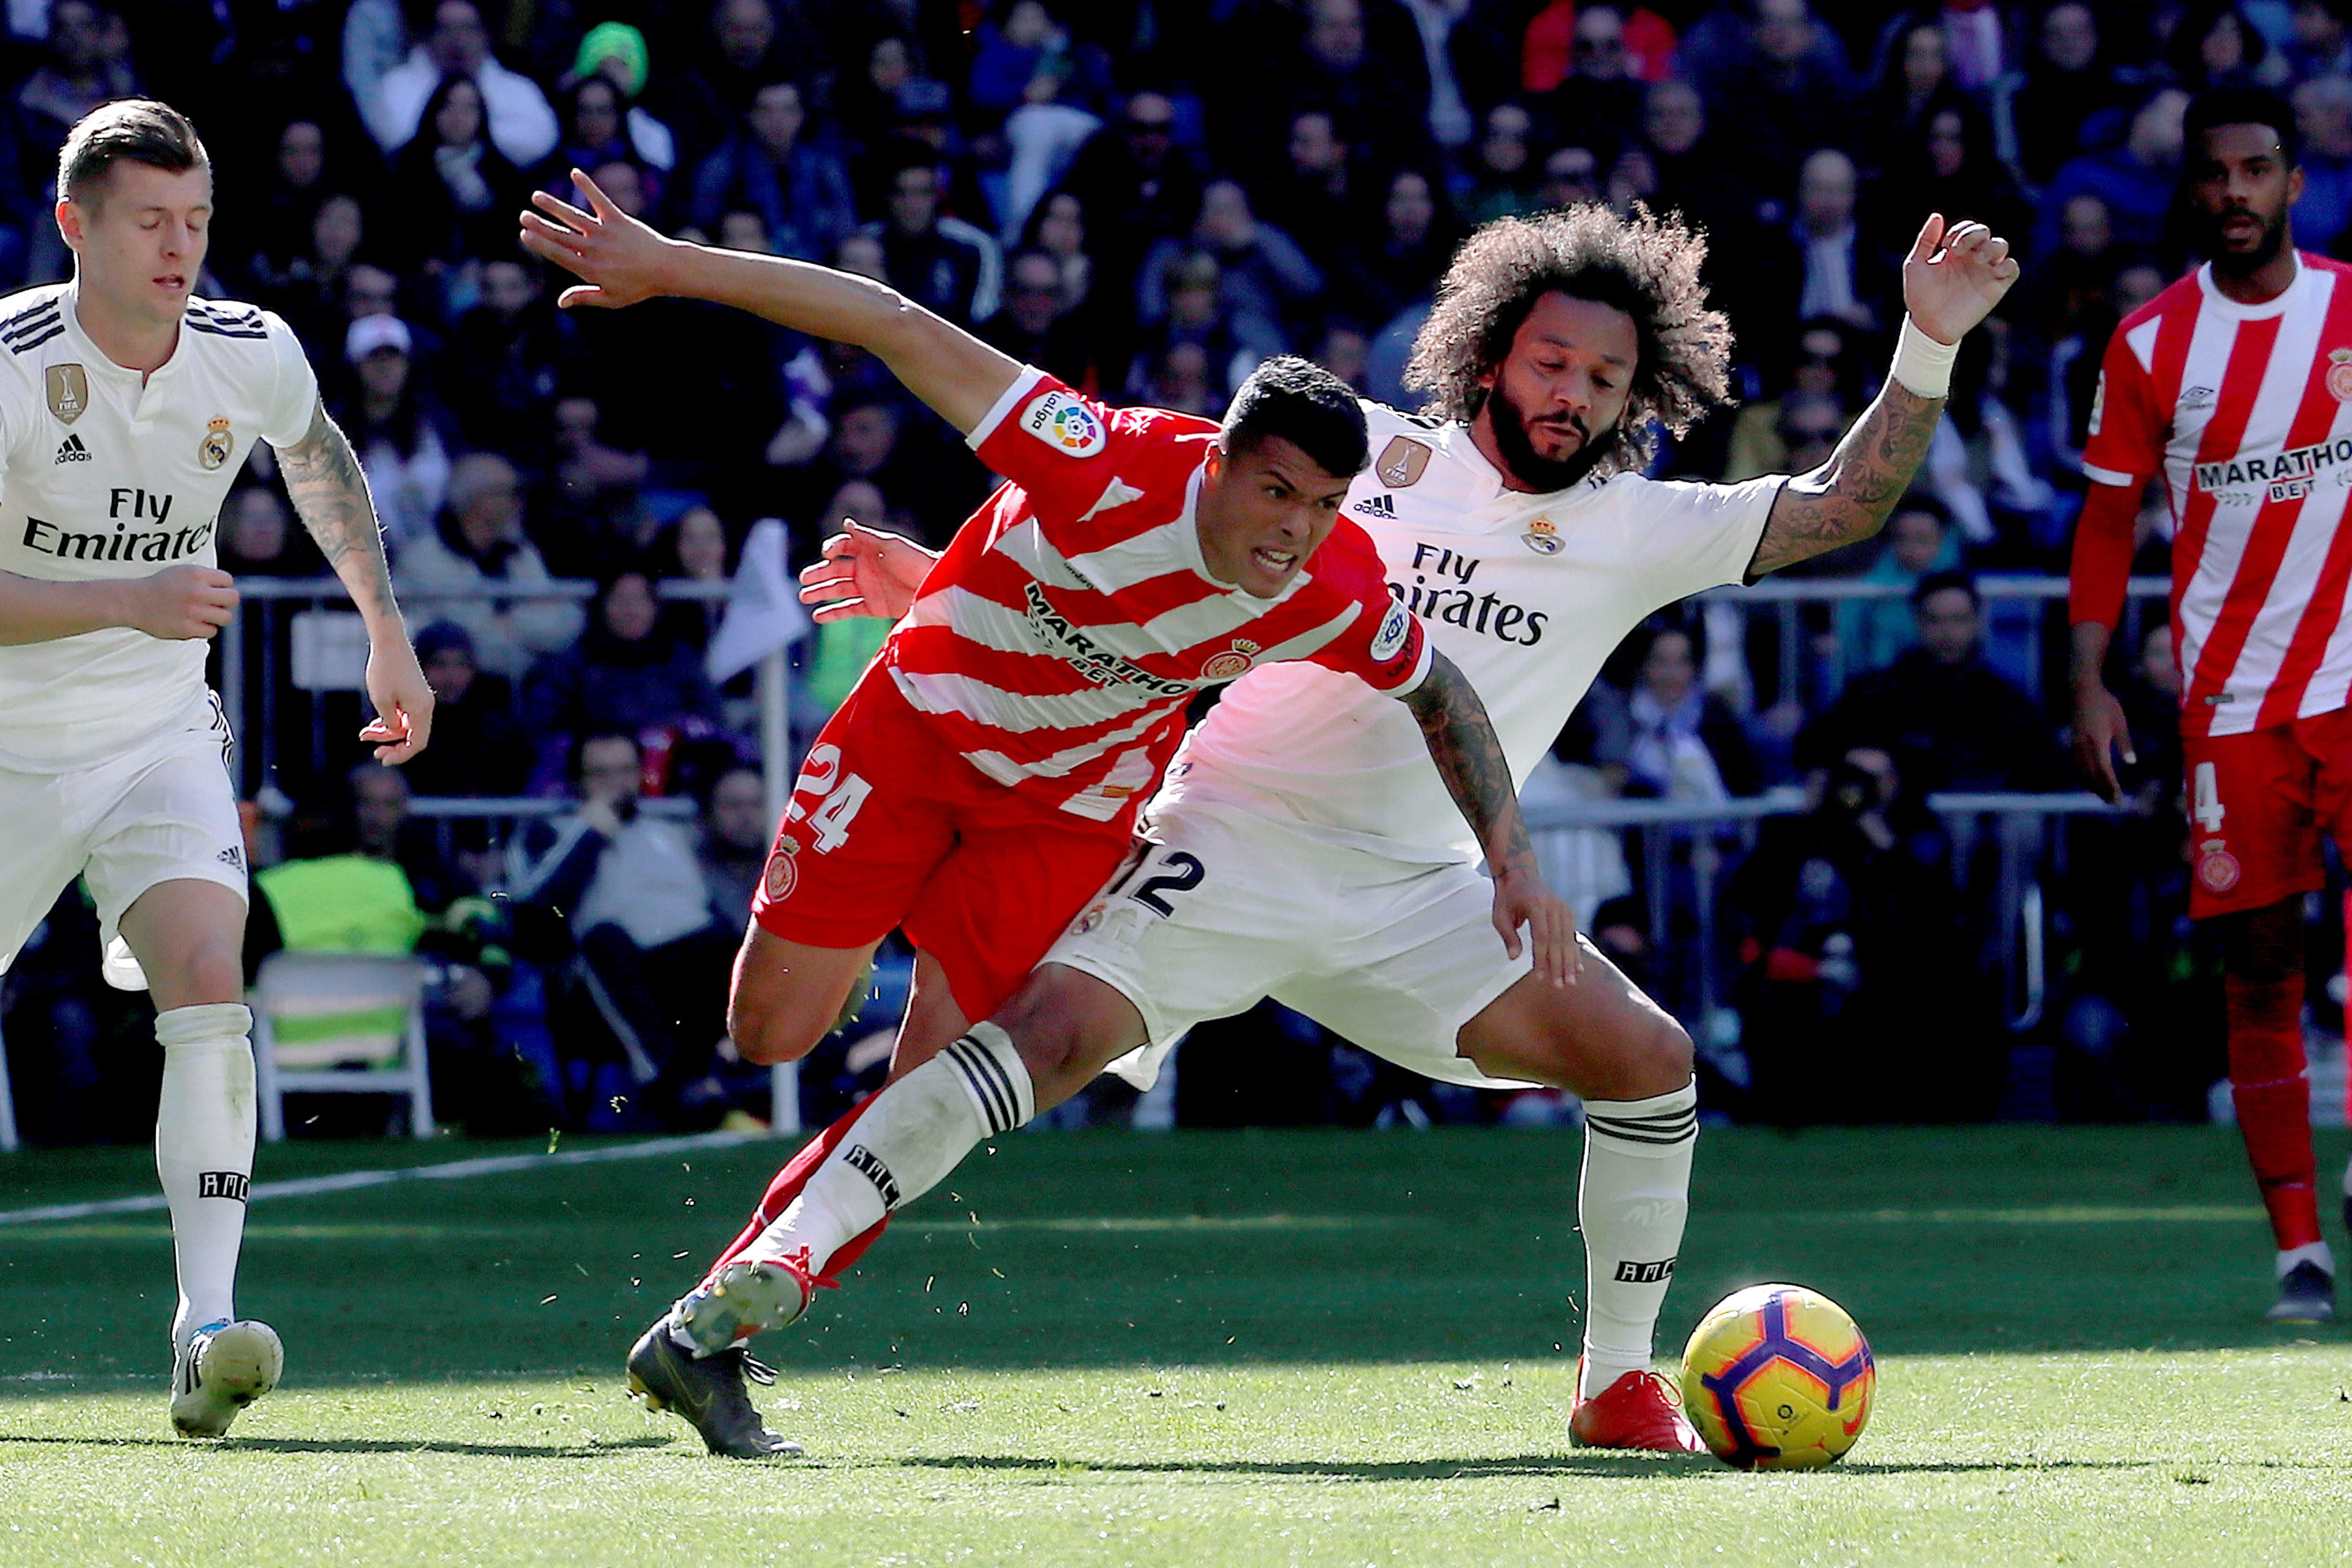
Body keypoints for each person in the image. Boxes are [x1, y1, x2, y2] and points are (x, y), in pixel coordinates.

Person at [635, 202, 2019, 1459]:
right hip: (1224, 832)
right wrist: (942, 578)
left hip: (1424, 897)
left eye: (1601, 377)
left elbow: (1847, 502)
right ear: (1491, 353)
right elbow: (1153, 541)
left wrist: (1926, 340)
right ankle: (724, 1311)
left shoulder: (1643, 524)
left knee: (1650, 1061)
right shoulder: (1355, 457)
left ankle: (1614, 1382)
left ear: (1634, 393)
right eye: (1548, 360)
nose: (1569, 393)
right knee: (1025, 1043)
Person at [519, 170, 1576, 1450]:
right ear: (1218, 456)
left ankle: (712, 1333)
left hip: (1063, 817)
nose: (1291, 532)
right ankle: (743, 1262)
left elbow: (1441, 691)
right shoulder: (1100, 455)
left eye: (1320, 508)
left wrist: (1508, 857)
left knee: (935, 1099)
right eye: (1275, 492)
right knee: (768, 1034)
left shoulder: (1330, 585)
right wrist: (670, 264)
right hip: (911, 739)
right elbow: (895, 321)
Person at [0, 101, 434, 1436]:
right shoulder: (12, 358)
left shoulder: (249, 349)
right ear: (78, 225)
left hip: (154, 733)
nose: (179, 246)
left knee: (206, 973)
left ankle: (204, 1324)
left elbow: (318, 456)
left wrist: (384, 626)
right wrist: (128, 598)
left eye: (195, 220)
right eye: (149, 221)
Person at [2071, 87, 2352, 1325]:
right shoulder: (2146, 345)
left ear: (2292, 183)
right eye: (2212, 174)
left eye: (2253, 170)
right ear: (2189, 190)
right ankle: (2297, 1243)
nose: (2232, 191)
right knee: (2257, 958)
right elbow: (2103, 520)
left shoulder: (2347, 310)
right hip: (2229, 701)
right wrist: (2084, 677)